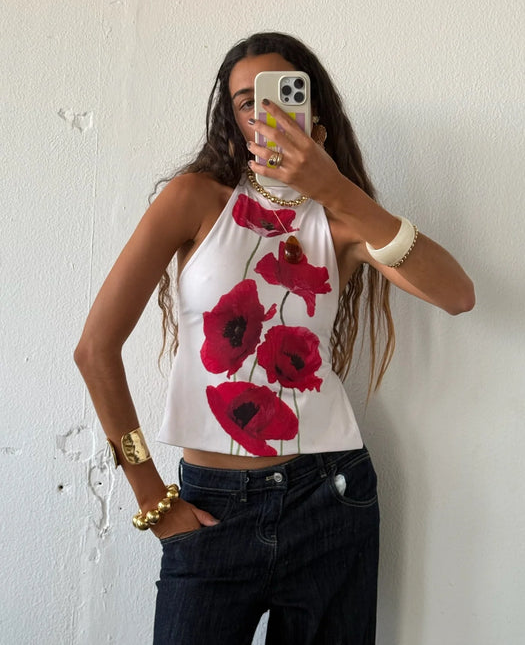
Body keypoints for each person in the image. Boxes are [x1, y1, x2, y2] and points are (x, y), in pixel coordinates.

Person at [74, 32, 475, 644]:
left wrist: (336, 189)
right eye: (247, 102)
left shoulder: (341, 219)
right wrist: (152, 496)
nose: (266, 114)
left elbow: (457, 294)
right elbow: (95, 349)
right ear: (232, 120)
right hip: (211, 508)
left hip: (330, 498)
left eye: (285, 95)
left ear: (314, 109)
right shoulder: (194, 199)